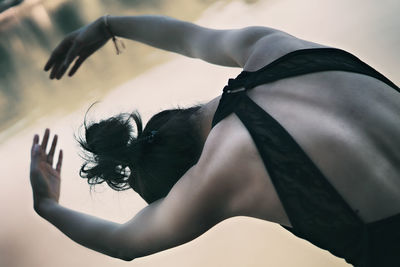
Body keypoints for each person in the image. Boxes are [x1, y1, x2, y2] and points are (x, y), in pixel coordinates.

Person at [29, 15, 400, 266]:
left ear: (187, 177)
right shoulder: (270, 48)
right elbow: (191, 39)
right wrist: (108, 25)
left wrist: (47, 205)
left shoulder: (222, 169)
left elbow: (126, 243)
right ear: (172, 116)